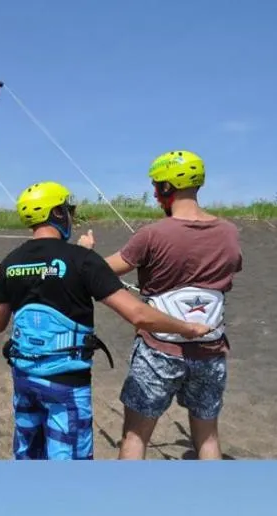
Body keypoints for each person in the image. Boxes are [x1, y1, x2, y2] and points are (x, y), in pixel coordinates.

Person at [0, 181, 213, 460]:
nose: (70, 215)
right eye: (67, 210)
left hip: (25, 379)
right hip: (65, 383)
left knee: (29, 453)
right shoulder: (82, 260)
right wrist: (188, 327)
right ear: (57, 214)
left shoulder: (11, 263)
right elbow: (138, 315)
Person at [88, 151, 243, 460]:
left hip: (159, 349)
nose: (156, 193)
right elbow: (230, 272)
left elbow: (102, 271)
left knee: (134, 436)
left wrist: (84, 254)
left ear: (168, 188)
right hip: (211, 351)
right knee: (208, 437)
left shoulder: (152, 234)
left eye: (158, 186)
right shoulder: (230, 233)